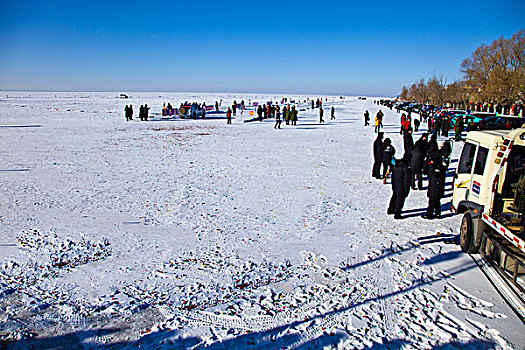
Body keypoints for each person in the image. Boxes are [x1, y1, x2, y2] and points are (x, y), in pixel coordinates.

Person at [387, 154, 412, 219]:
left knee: (395, 196)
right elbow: (407, 180)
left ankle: (391, 209)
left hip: (395, 184)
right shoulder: (406, 167)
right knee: (400, 199)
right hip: (401, 185)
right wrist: (406, 190)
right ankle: (397, 214)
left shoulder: (397, 164)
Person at [423, 151, 446, 219]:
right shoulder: (442, 169)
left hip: (433, 188)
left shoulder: (431, 169)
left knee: (432, 202)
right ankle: (437, 213)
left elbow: (427, 171)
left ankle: (429, 214)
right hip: (440, 188)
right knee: (437, 201)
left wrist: (430, 163)